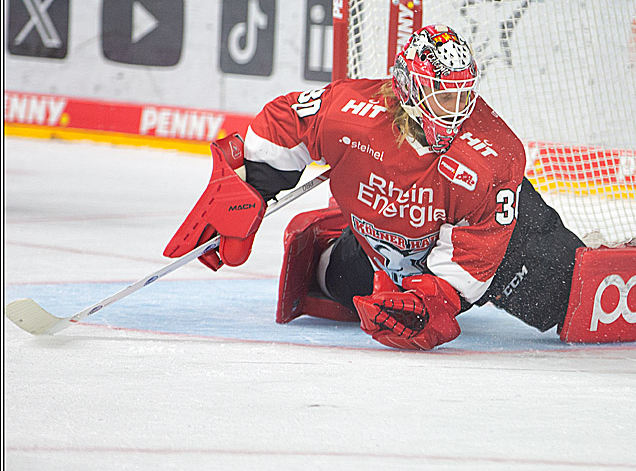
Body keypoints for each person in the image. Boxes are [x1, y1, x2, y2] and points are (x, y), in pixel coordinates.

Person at [165, 25, 586, 350]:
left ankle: (584, 253)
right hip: (381, 250)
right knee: (329, 283)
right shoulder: (351, 114)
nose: (456, 111)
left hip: (494, 249)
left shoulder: (491, 158)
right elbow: (283, 120)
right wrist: (248, 190)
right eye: (443, 97)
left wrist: (434, 300)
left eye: (463, 97)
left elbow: (478, 250)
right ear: (410, 92)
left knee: (559, 295)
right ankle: (339, 237)